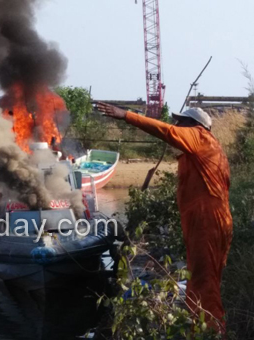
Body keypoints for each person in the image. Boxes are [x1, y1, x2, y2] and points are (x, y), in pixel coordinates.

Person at [97, 103, 233, 333]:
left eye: (182, 122)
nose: (177, 125)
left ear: (196, 126)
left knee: (204, 282)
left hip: (207, 221)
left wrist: (127, 116)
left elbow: (168, 132)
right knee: (200, 279)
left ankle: (213, 333)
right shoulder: (202, 151)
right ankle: (200, 330)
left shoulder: (200, 137)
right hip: (208, 220)